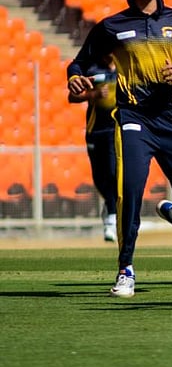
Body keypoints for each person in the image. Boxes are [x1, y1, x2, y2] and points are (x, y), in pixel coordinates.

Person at [66, 0, 172, 298]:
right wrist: (74, 78)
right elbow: (78, 63)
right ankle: (125, 270)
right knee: (128, 192)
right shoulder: (112, 26)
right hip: (134, 118)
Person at [67, 55, 118, 242]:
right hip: (95, 131)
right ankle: (110, 205)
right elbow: (72, 97)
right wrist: (94, 95)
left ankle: (112, 216)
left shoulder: (124, 67)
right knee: (99, 177)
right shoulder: (92, 69)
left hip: (117, 130)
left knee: (113, 173)